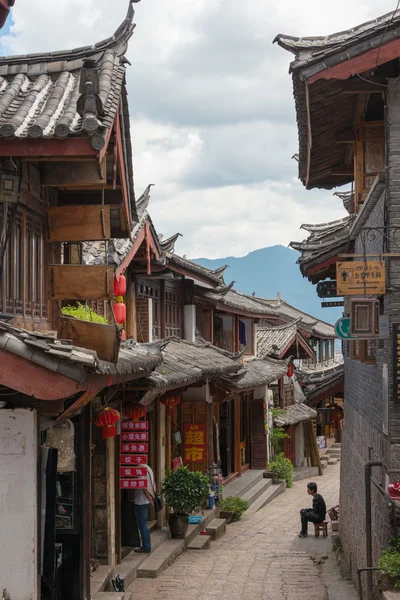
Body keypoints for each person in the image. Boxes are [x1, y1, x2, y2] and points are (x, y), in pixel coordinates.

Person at [131, 464, 155, 553]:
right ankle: (146, 545)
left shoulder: (140, 470)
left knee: (142, 525)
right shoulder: (148, 468)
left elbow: (144, 488)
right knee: (143, 524)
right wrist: (152, 496)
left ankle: (146, 546)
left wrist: (150, 499)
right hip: (146, 501)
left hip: (141, 500)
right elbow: (153, 483)